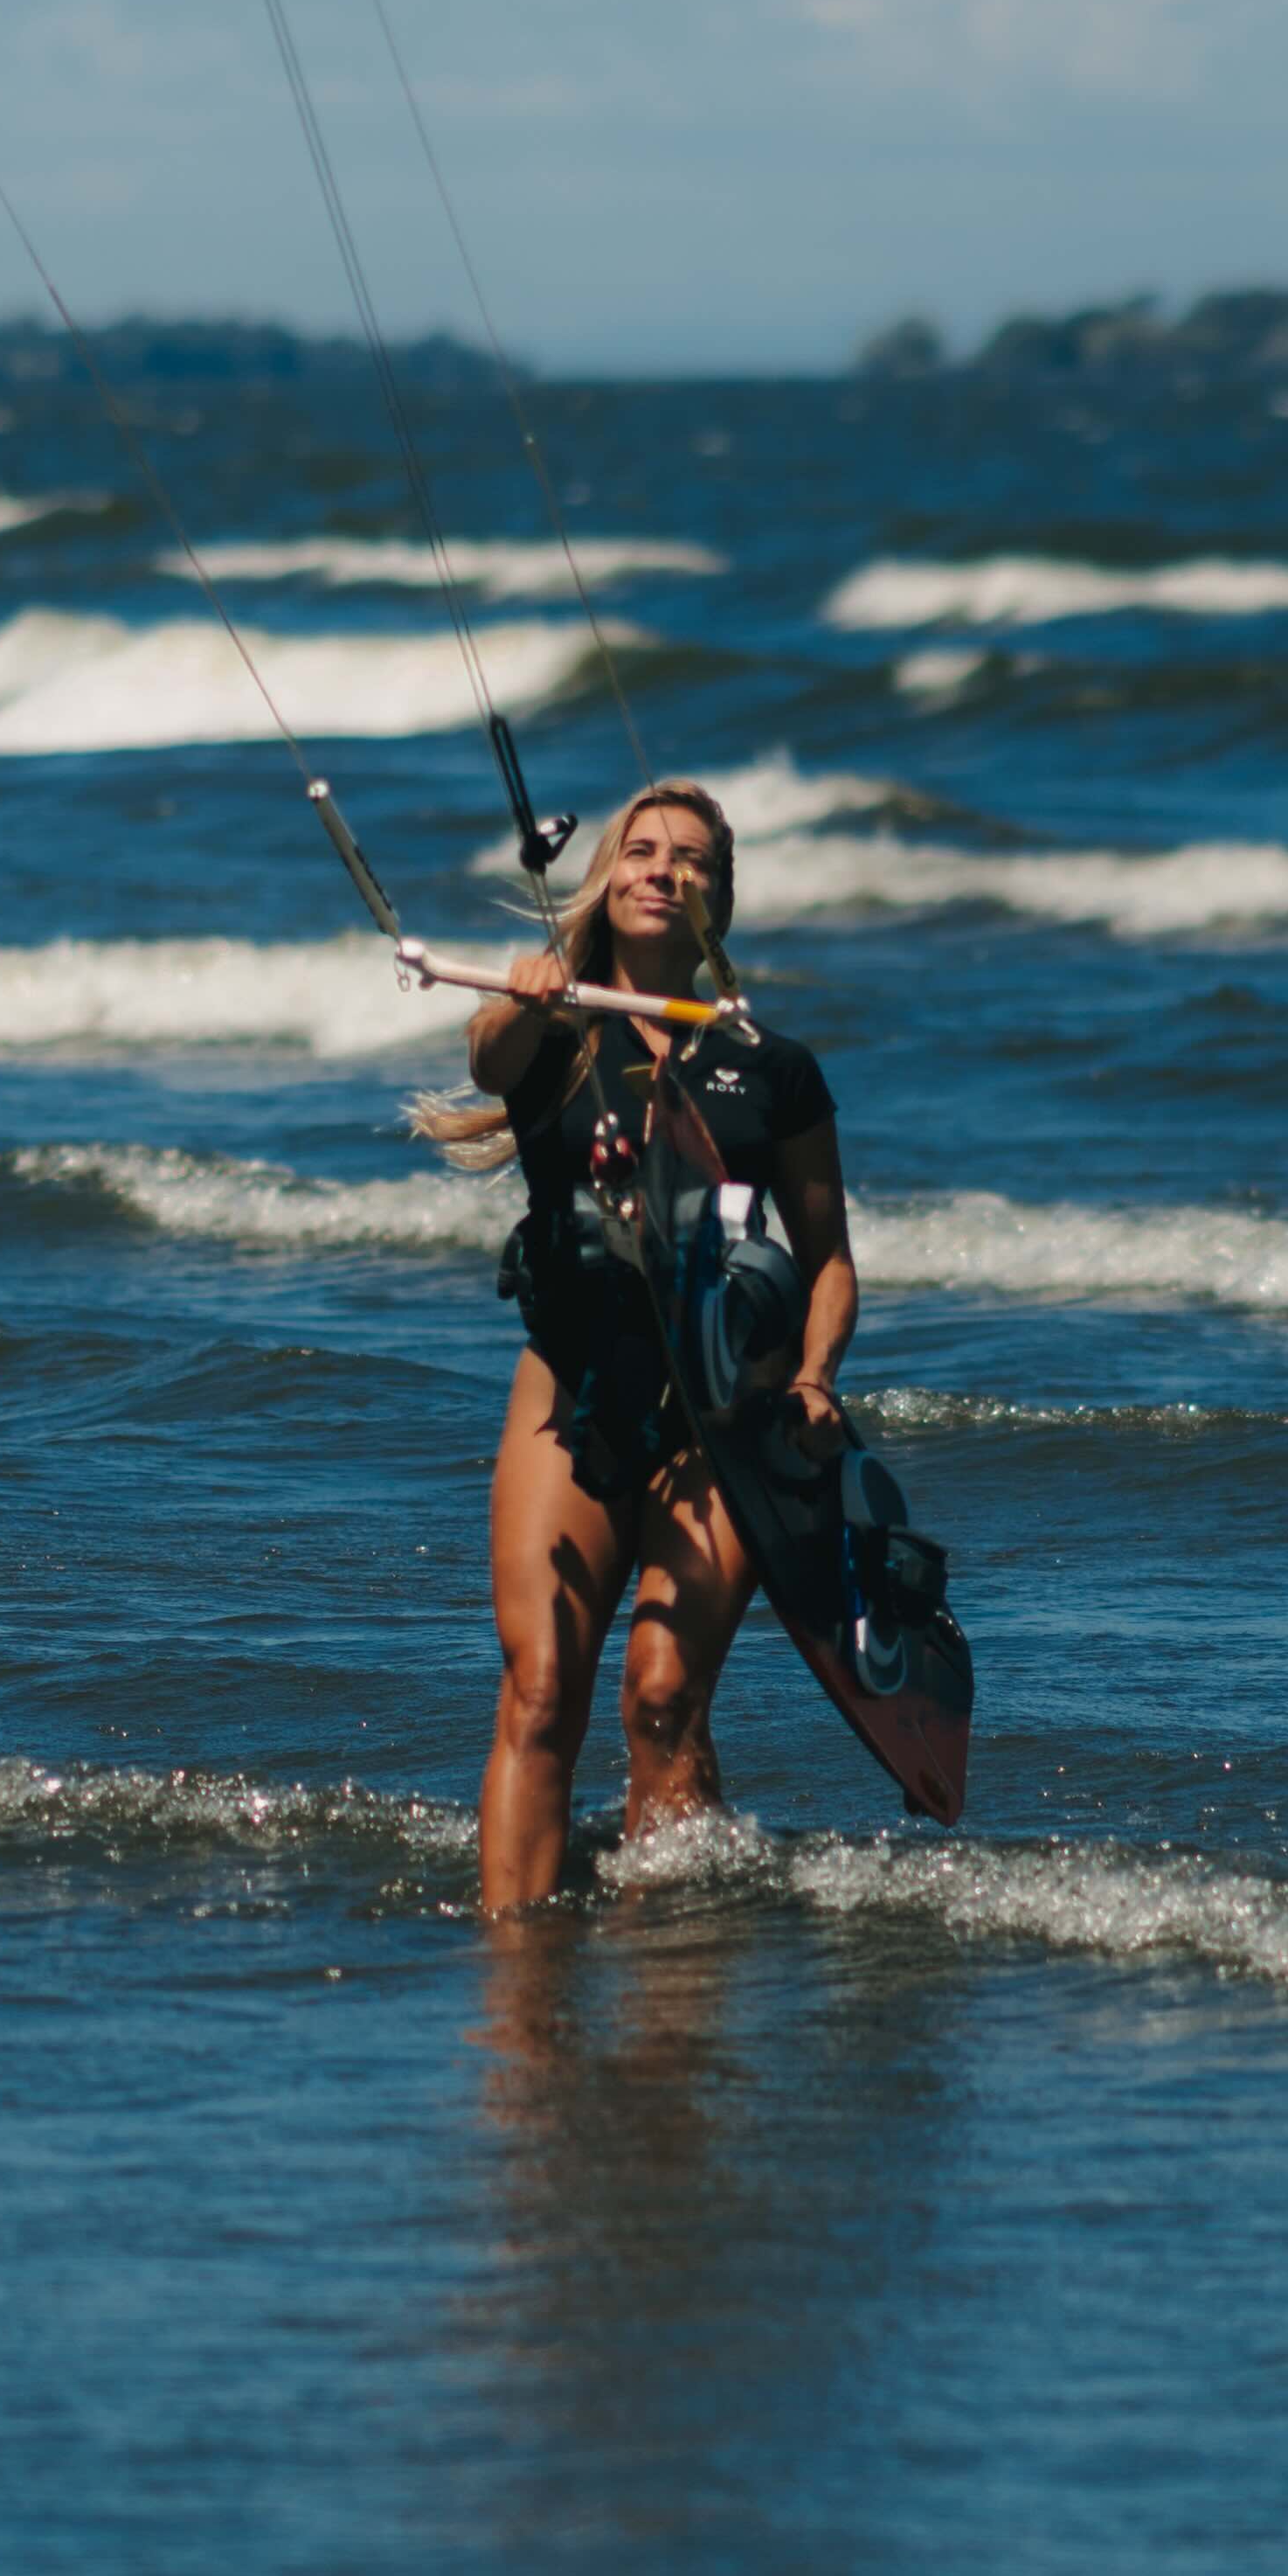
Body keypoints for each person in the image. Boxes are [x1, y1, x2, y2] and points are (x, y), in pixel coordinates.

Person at [413, 781, 857, 1914]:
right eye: (643, 852)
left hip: (725, 1405)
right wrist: (525, 998)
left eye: (693, 860)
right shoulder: (550, 1027)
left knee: (662, 1694)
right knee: (541, 1688)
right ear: (607, 876)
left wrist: (812, 1380)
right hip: (573, 1384)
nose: (664, 869)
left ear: (720, 900)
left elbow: (831, 1261)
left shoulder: (774, 1067)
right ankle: (520, 1980)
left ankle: (676, 1964)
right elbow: (487, 1062)